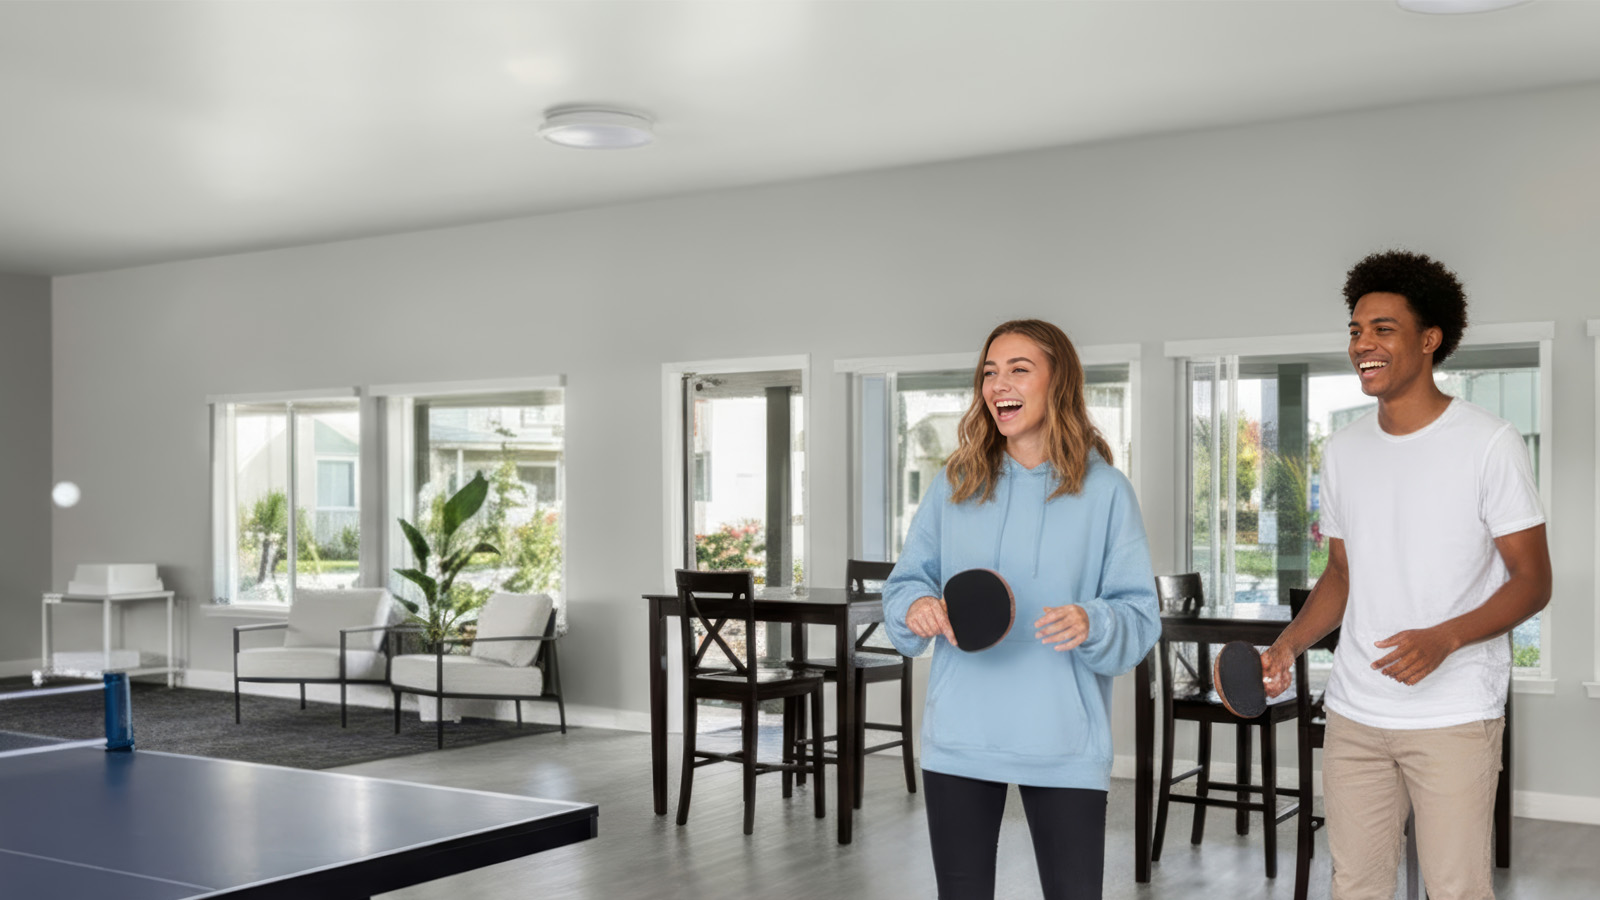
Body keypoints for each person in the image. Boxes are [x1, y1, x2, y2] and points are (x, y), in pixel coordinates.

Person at [1260, 250, 1551, 900]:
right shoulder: (1343, 449)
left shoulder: (1489, 443)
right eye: (1356, 330)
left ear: (1428, 340)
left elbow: (1532, 580)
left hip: (1453, 713)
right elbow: (1340, 573)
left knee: (1455, 889)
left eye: (1382, 329)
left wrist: (1443, 638)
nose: (1362, 344)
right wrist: (1289, 643)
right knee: (1355, 885)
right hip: (1354, 712)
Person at [882, 318, 1160, 900]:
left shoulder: (1106, 490)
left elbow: (1138, 617)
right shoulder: (955, 483)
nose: (997, 384)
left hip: (1063, 741)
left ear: (1058, 381)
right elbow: (904, 583)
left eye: (1018, 369)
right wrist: (916, 608)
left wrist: (1094, 620)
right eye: (989, 372)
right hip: (960, 736)